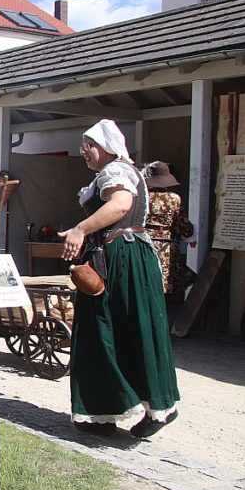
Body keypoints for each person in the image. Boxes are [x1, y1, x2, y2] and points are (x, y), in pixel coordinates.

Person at [59, 120, 180, 438]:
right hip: (126, 256)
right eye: (83, 144)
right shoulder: (118, 172)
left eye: (89, 145)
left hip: (120, 258)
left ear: (107, 147)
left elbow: (121, 205)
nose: (84, 150)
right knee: (130, 328)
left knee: (106, 328)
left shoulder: (116, 171)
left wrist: (81, 229)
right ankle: (120, 410)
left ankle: (132, 409)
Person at [143, 161, 194, 302]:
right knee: (164, 284)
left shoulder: (142, 197)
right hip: (166, 247)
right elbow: (182, 224)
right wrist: (190, 235)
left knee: (144, 282)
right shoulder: (174, 199)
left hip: (143, 243)